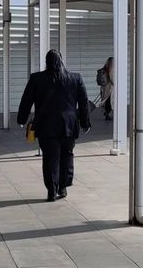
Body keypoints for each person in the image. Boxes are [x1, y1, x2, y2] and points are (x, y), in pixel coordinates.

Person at [18, 50, 91, 202]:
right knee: (67, 155)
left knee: (50, 158)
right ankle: (63, 187)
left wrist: (21, 119)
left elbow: (26, 100)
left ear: (46, 62)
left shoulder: (37, 79)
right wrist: (85, 122)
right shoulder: (75, 78)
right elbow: (83, 103)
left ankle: (51, 190)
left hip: (46, 126)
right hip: (68, 126)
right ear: (62, 61)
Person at [96, 57, 115, 121]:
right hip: (109, 87)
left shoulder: (105, 68)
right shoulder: (111, 68)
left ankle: (107, 113)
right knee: (109, 100)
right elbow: (111, 77)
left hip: (104, 87)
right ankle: (107, 113)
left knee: (106, 100)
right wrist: (115, 83)